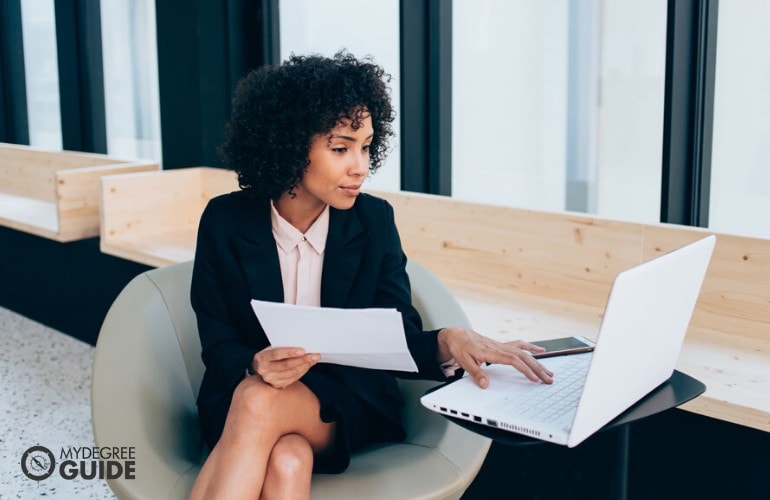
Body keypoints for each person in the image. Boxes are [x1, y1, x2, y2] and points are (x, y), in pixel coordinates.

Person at [188, 51, 554, 499]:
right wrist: (256, 362)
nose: (360, 166)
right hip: (243, 394)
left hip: (345, 402)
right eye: (341, 148)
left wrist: (448, 340)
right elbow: (218, 342)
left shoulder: (374, 221)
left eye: (366, 146)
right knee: (287, 459)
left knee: (256, 399)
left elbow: (394, 335)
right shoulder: (225, 221)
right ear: (287, 143)